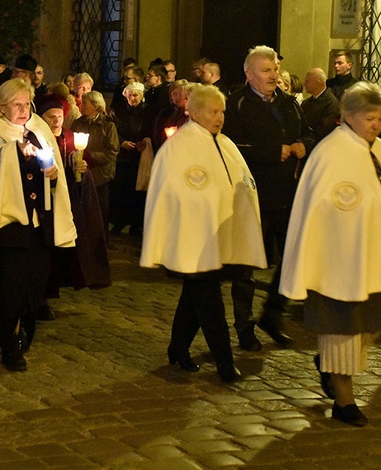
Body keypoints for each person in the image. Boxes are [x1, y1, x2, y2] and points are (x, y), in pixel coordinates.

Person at [280, 82, 381, 426]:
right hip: (339, 261)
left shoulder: (378, 149)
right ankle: (344, 401)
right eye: (369, 117)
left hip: (373, 256)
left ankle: (328, 367)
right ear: (348, 116)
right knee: (341, 327)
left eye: (380, 118)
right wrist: (378, 203)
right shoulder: (334, 151)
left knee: (370, 324)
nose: (376, 124)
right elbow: (333, 205)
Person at [140, 84, 267, 382]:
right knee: (209, 301)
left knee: (194, 297)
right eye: (212, 111)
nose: (219, 117)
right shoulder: (180, 147)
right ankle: (224, 362)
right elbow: (170, 193)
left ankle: (177, 349)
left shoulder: (225, 145)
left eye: (221, 111)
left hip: (218, 237)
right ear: (194, 112)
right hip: (192, 239)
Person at [0, 80, 77, 371]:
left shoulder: (39, 129)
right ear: (1, 106)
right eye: (16, 104)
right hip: (10, 223)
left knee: (34, 284)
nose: (22, 110)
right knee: (11, 286)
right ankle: (9, 341)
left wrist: (53, 176)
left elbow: (52, 169)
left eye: (26, 104)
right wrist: (15, 153)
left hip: (39, 222)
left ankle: (24, 330)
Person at [223, 45, 313, 351]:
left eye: (275, 69)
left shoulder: (289, 103)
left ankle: (273, 315)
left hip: (287, 195)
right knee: (246, 267)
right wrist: (271, 153)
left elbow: (310, 132)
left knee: (292, 259)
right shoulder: (235, 105)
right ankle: (245, 325)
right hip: (253, 196)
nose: (273, 75)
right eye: (266, 70)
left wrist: (304, 143)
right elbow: (230, 148)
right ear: (249, 74)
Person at [37, 95, 111, 298]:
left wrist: (82, 167)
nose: (56, 121)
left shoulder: (70, 136)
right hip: (47, 199)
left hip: (71, 196)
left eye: (59, 116)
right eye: (51, 117)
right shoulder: (37, 138)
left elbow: (84, 160)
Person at [70, 91, 119, 231]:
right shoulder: (78, 123)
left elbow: (112, 150)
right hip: (81, 171)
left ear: (96, 106)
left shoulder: (108, 125)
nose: (81, 106)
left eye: (85, 103)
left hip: (99, 175)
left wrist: (90, 156)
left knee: (99, 210)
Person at [109, 81, 148, 235]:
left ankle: (136, 224)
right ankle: (119, 221)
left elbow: (149, 128)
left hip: (140, 156)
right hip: (123, 157)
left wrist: (144, 142)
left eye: (136, 95)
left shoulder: (147, 111)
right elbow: (112, 129)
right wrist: (122, 142)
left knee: (137, 192)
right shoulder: (117, 111)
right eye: (130, 95)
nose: (133, 98)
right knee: (121, 190)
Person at [301, 68, 340, 141]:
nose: (304, 84)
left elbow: (324, 131)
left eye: (307, 81)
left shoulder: (331, 104)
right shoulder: (306, 103)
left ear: (318, 83)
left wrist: (306, 144)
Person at [152, 79, 190, 152]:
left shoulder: (191, 113)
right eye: (175, 94)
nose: (178, 97)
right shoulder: (165, 113)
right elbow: (157, 134)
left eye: (181, 94)